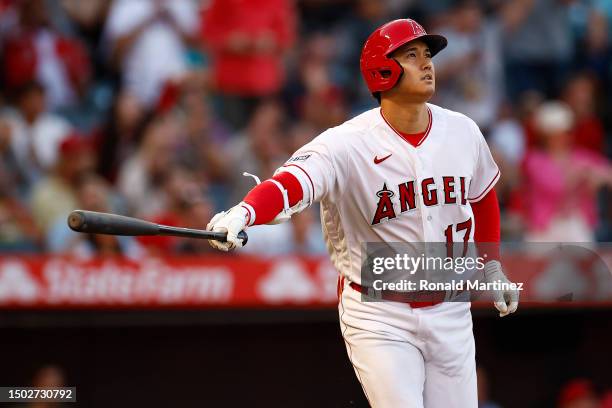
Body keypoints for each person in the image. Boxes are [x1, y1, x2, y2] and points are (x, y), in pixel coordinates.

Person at [206, 19, 519, 407]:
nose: (427, 64)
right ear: (382, 70)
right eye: (412, 55)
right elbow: (293, 181)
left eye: (427, 55)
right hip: (380, 314)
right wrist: (246, 211)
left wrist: (492, 266)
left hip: (450, 309)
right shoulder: (347, 143)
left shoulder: (463, 131)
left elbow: (483, 195)